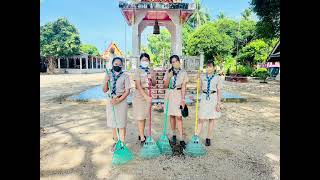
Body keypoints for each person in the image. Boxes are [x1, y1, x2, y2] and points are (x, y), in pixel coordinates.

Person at [103, 57, 131, 152]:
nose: (117, 66)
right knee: (113, 124)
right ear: (112, 64)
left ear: (122, 65)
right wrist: (106, 81)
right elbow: (104, 90)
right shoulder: (108, 75)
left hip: (121, 101)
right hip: (111, 101)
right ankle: (116, 141)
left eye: (119, 64)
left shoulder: (125, 76)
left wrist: (119, 100)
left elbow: (127, 91)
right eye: (115, 64)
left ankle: (122, 143)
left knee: (121, 124)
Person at [163, 55, 189, 148]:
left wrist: (183, 100)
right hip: (170, 94)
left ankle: (181, 138)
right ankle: (173, 134)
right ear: (171, 63)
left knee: (179, 116)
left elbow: (184, 87)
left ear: (179, 61)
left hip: (178, 95)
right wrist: (169, 77)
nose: (174, 63)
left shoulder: (183, 72)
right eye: (172, 62)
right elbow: (164, 86)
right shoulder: (168, 72)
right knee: (172, 116)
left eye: (176, 61)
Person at [132, 53, 156, 145]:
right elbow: (137, 85)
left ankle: (140, 133)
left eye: (146, 60)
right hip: (140, 95)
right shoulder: (138, 70)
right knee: (140, 117)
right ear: (140, 61)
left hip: (148, 93)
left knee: (144, 116)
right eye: (143, 60)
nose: (145, 61)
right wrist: (145, 96)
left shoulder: (151, 70)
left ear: (149, 61)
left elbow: (154, 83)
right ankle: (142, 138)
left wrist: (152, 77)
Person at [197, 60, 222, 146]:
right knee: (201, 118)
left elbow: (219, 91)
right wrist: (198, 79)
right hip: (204, 98)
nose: (208, 68)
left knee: (212, 119)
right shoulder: (202, 77)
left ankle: (208, 138)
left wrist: (218, 103)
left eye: (210, 66)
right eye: (207, 67)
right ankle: (196, 136)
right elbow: (199, 89)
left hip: (213, 98)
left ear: (214, 67)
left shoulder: (217, 77)